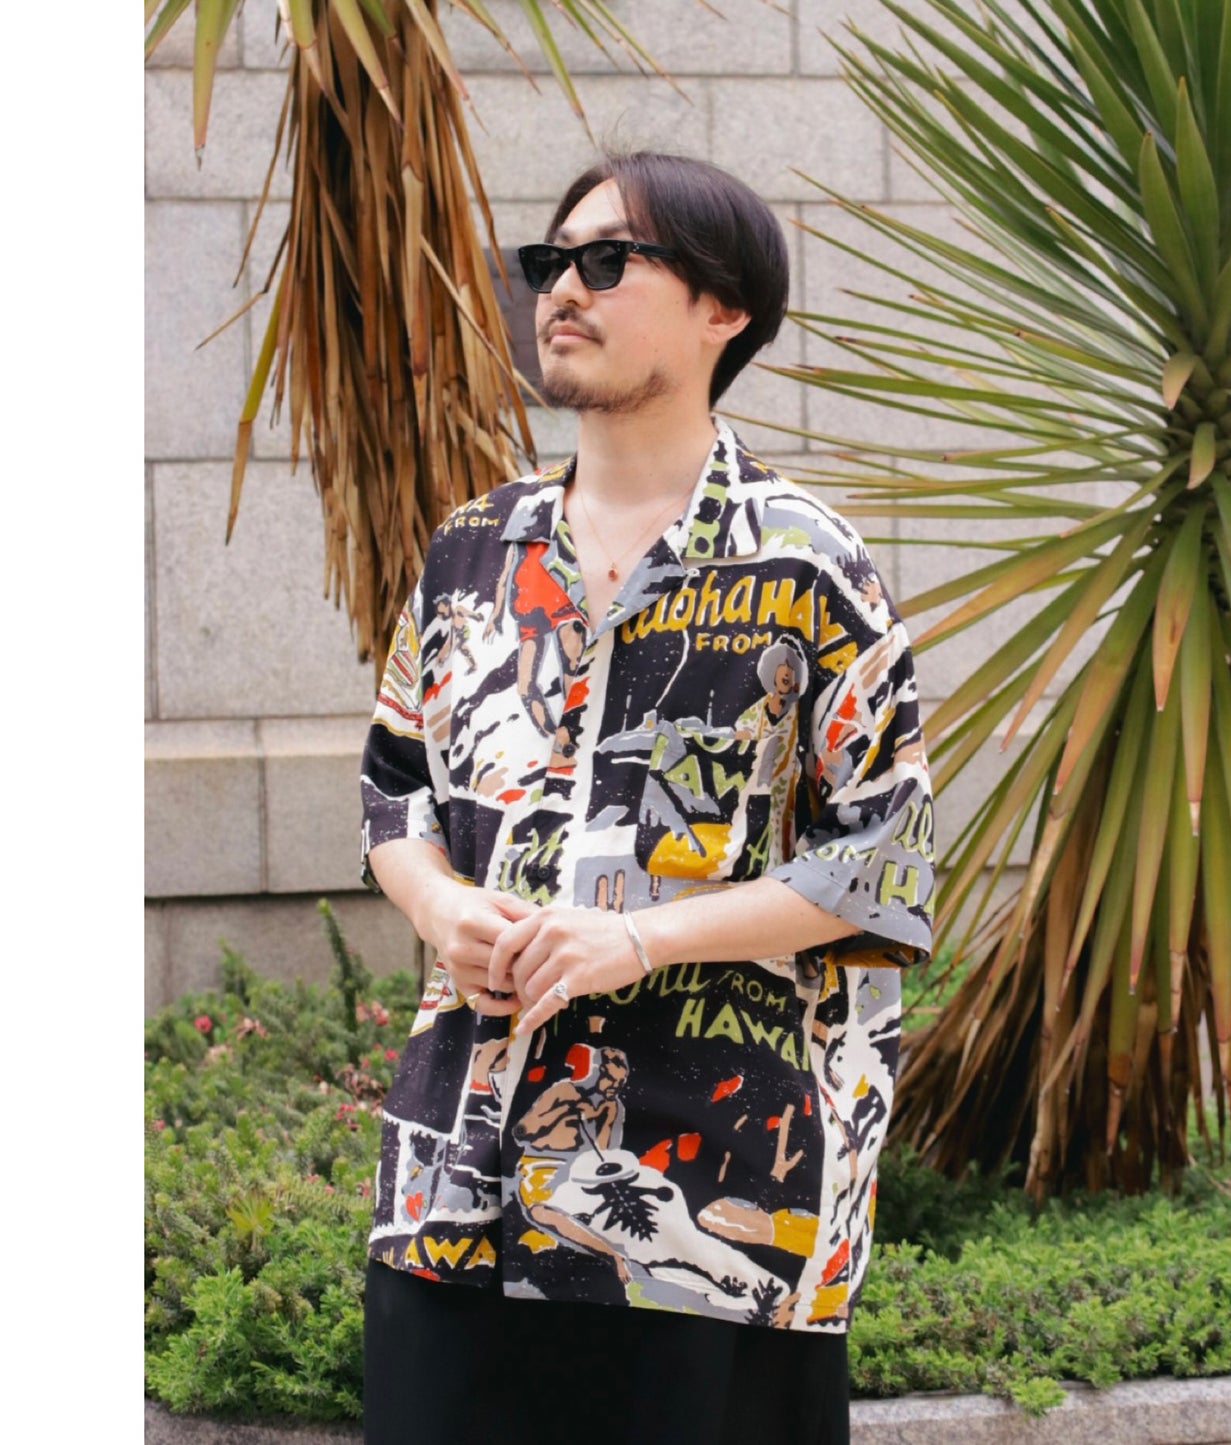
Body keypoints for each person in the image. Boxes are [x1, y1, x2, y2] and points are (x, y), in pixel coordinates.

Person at [359, 150, 935, 1445]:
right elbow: (395, 791)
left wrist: (636, 939)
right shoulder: (471, 550)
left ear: (723, 308)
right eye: (550, 262)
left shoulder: (808, 566)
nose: (562, 289)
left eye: (609, 260)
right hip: (456, 1182)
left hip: (708, 1213)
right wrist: (442, 908)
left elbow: (881, 857)